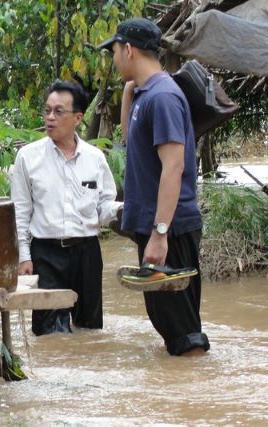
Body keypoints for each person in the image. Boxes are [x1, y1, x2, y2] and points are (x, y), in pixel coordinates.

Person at [99, 18, 210, 356]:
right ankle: (187, 396)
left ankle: (192, 396)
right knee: (168, 320)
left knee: (182, 330)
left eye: (115, 51)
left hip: (170, 230)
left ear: (129, 50)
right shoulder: (147, 94)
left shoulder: (162, 97)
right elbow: (133, 142)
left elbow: (173, 166)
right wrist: (129, 90)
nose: (114, 59)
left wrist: (160, 233)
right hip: (159, 228)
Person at [11, 80, 122, 335]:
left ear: (77, 118)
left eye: (58, 112)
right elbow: (20, 213)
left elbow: (103, 207)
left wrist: (122, 211)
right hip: (46, 254)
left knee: (90, 331)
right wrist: (24, 256)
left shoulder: (95, 159)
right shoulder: (28, 157)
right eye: (47, 110)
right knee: (50, 334)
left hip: (87, 253)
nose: (50, 117)